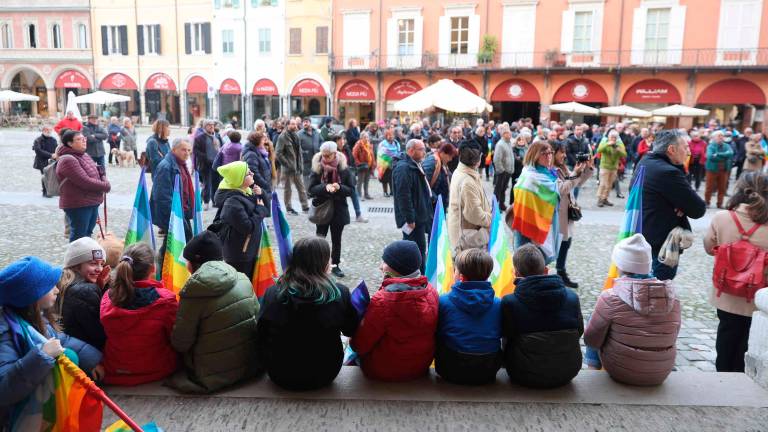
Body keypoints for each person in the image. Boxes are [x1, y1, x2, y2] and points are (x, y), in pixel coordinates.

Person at [0, 257, 102, 426]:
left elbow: (61, 340)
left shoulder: (35, 317)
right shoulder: (5, 333)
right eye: (50, 287)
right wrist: (41, 355)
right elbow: (4, 389)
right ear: (31, 295)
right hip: (16, 418)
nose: (56, 290)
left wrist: (93, 359)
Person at [256, 237, 359, 390]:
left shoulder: (273, 292)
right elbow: (351, 329)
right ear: (322, 261)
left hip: (279, 372)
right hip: (325, 372)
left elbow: (261, 331)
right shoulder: (339, 292)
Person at [167, 231, 261, 393]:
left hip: (210, 374)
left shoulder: (193, 293)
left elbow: (181, 344)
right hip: (249, 365)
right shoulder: (243, 278)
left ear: (192, 264)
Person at [584, 234, 681, 386]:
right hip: (660, 372)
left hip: (622, 371)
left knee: (596, 321)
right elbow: (673, 335)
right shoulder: (672, 296)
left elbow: (591, 340)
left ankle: (592, 370)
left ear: (619, 265)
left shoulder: (610, 297)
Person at [703, 172, 768, 372]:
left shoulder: (722, 217)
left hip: (727, 291)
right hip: (757, 295)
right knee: (749, 339)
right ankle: (743, 377)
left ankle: (723, 376)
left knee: (726, 335)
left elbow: (708, 247)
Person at [351, 240, 439, 382]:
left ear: (397, 268)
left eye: (385, 262)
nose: (381, 267)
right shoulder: (432, 292)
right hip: (420, 366)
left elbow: (359, 345)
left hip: (384, 370)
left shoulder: (383, 301)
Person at [501, 244, 583, 388]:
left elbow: (506, 337)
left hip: (523, 373)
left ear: (516, 273)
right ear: (546, 271)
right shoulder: (572, 298)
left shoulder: (510, 302)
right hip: (567, 371)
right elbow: (579, 331)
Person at [100, 243, 178, 385]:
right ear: (153, 269)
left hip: (115, 369)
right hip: (157, 368)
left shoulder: (108, 297)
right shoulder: (166, 300)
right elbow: (175, 336)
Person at [634, 130, 706, 281]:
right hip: (660, 245)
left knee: (643, 289)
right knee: (656, 293)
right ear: (671, 150)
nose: (688, 152)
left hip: (643, 235)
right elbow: (698, 209)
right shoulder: (668, 172)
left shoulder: (646, 160)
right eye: (685, 147)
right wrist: (679, 204)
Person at [435, 249, 502, 385]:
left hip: (451, 370)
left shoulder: (443, 301)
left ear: (461, 277)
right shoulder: (498, 303)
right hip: (488, 370)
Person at [212, 161, 268, 279]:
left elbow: (266, 211)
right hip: (240, 255)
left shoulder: (246, 192)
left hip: (249, 250)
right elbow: (247, 227)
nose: (252, 173)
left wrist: (261, 194)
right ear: (239, 179)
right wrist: (260, 209)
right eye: (248, 173)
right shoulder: (232, 202)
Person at [308, 142, 356, 278]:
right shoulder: (317, 167)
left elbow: (351, 190)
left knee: (337, 240)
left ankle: (335, 265)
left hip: (338, 210)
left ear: (335, 153)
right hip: (322, 209)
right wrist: (325, 187)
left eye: (328, 155)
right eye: (323, 155)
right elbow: (311, 189)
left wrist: (339, 187)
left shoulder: (344, 169)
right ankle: (317, 265)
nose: (325, 157)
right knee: (320, 238)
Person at [55, 130, 111, 242]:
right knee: (79, 236)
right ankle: (76, 258)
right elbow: (85, 181)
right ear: (70, 143)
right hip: (78, 204)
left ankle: (86, 258)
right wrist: (105, 186)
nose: (84, 140)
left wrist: (104, 181)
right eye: (79, 139)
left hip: (92, 201)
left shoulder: (84, 155)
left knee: (88, 233)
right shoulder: (67, 159)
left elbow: (99, 173)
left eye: (84, 138)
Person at [552, 141, 594, 289]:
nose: (564, 155)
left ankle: (560, 272)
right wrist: (575, 174)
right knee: (561, 243)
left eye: (564, 152)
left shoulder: (563, 168)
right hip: (558, 212)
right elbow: (562, 189)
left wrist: (586, 168)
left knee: (566, 242)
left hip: (567, 211)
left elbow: (577, 182)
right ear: (553, 153)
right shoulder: (551, 170)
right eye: (561, 152)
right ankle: (558, 273)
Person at [511, 141, 560, 263]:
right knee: (529, 260)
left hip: (546, 217)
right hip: (530, 221)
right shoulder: (530, 175)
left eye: (551, 153)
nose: (549, 156)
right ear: (536, 155)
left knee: (539, 260)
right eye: (545, 153)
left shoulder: (547, 172)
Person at [56, 237, 109, 350]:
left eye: (102, 264)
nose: (99, 269)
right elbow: (100, 334)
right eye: (93, 263)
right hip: (87, 353)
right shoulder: (86, 291)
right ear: (76, 266)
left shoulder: (62, 282)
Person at [392, 139, 433, 273]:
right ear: (411, 150)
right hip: (412, 219)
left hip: (419, 215)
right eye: (421, 149)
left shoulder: (414, 164)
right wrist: (410, 219)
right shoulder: (403, 168)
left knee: (418, 248)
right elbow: (403, 196)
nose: (424, 152)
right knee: (415, 249)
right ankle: (416, 275)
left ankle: (417, 274)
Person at [151, 138, 194, 258]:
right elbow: (162, 196)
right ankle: (163, 267)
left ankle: (167, 266)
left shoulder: (182, 164)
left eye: (189, 150)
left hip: (182, 210)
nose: (187, 153)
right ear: (174, 150)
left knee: (177, 242)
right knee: (176, 242)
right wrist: (174, 215)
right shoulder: (166, 166)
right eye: (183, 150)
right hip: (174, 212)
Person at [448, 147, 492, 254]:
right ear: (477, 162)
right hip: (467, 236)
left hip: (462, 230)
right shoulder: (467, 181)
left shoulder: (461, 171)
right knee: (468, 267)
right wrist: (491, 219)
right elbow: (473, 214)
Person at [275, 118, 309, 215]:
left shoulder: (296, 135)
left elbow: (299, 153)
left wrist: (300, 165)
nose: (295, 126)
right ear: (287, 125)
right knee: (288, 189)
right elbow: (278, 153)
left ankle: (305, 207)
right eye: (293, 124)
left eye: (296, 124)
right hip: (287, 169)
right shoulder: (282, 137)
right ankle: (289, 209)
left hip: (297, 167)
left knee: (301, 188)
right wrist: (287, 164)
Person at [241, 131, 273, 215]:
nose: (264, 141)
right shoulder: (252, 154)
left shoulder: (258, 151)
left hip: (262, 185)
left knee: (261, 208)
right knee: (258, 208)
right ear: (257, 141)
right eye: (263, 139)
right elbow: (254, 173)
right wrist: (265, 184)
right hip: (258, 186)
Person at [194, 120, 222, 209]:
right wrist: (206, 158)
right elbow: (196, 151)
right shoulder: (199, 138)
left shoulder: (217, 136)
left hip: (217, 164)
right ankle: (206, 201)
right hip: (206, 165)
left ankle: (215, 201)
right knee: (207, 183)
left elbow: (222, 148)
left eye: (212, 125)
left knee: (216, 183)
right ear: (204, 127)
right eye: (209, 125)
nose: (211, 126)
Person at [595, 130, 627, 207]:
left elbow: (625, 155)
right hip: (605, 167)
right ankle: (599, 199)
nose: (613, 139)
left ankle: (605, 198)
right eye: (612, 137)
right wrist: (607, 144)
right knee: (603, 184)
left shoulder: (619, 144)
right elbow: (598, 150)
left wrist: (619, 150)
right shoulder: (604, 142)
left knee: (609, 185)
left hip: (614, 168)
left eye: (615, 137)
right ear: (608, 137)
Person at [704, 130, 734, 209]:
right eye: (719, 136)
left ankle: (720, 204)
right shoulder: (710, 146)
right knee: (709, 187)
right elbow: (710, 157)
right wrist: (724, 157)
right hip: (712, 169)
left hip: (724, 170)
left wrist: (717, 154)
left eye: (722, 136)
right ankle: (707, 202)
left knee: (722, 188)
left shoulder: (727, 146)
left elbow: (730, 154)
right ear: (714, 138)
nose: (721, 137)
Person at [422, 142, 457, 210]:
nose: (450, 159)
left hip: (439, 204)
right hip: (433, 206)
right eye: (450, 156)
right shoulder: (433, 161)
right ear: (443, 153)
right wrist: (435, 200)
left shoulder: (442, 163)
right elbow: (424, 183)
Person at [493, 126, 515, 211]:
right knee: (498, 190)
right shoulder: (500, 144)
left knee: (503, 189)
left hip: (508, 170)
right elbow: (496, 159)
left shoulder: (508, 143)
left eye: (510, 133)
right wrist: (501, 170)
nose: (510, 135)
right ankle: (494, 207)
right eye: (507, 133)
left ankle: (501, 205)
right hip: (502, 171)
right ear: (503, 134)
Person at [33, 125, 58, 196]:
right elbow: (38, 151)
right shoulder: (38, 140)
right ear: (43, 130)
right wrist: (50, 155)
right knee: (45, 176)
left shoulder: (53, 139)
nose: (49, 131)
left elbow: (56, 148)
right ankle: (45, 191)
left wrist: (56, 155)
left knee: (51, 176)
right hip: (42, 161)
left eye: (50, 130)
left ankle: (50, 190)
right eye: (47, 130)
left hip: (52, 161)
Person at [377, 128, 400, 197]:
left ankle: (392, 191)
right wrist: (389, 160)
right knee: (385, 179)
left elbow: (398, 152)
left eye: (392, 135)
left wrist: (396, 159)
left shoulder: (396, 143)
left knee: (392, 178)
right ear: (386, 136)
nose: (391, 137)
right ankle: (385, 192)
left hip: (394, 163)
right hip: (384, 164)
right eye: (389, 135)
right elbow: (381, 154)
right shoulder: (382, 144)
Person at [352, 132, 376, 200]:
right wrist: (359, 163)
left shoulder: (368, 144)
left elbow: (372, 154)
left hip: (368, 165)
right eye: (365, 137)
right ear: (361, 138)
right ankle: (358, 195)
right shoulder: (358, 144)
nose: (366, 138)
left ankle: (366, 194)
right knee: (360, 181)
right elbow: (354, 155)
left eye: (367, 137)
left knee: (366, 180)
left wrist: (373, 162)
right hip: (362, 166)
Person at [298, 118, 321, 186]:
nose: (305, 123)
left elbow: (321, 141)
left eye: (307, 122)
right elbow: (296, 146)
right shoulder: (299, 134)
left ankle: (315, 192)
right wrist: (304, 152)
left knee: (317, 175)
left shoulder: (316, 132)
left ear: (310, 123)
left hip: (317, 159)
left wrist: (320, 148)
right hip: (306, 160)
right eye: (304, 122)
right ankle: (307, 194)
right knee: (306, 178)